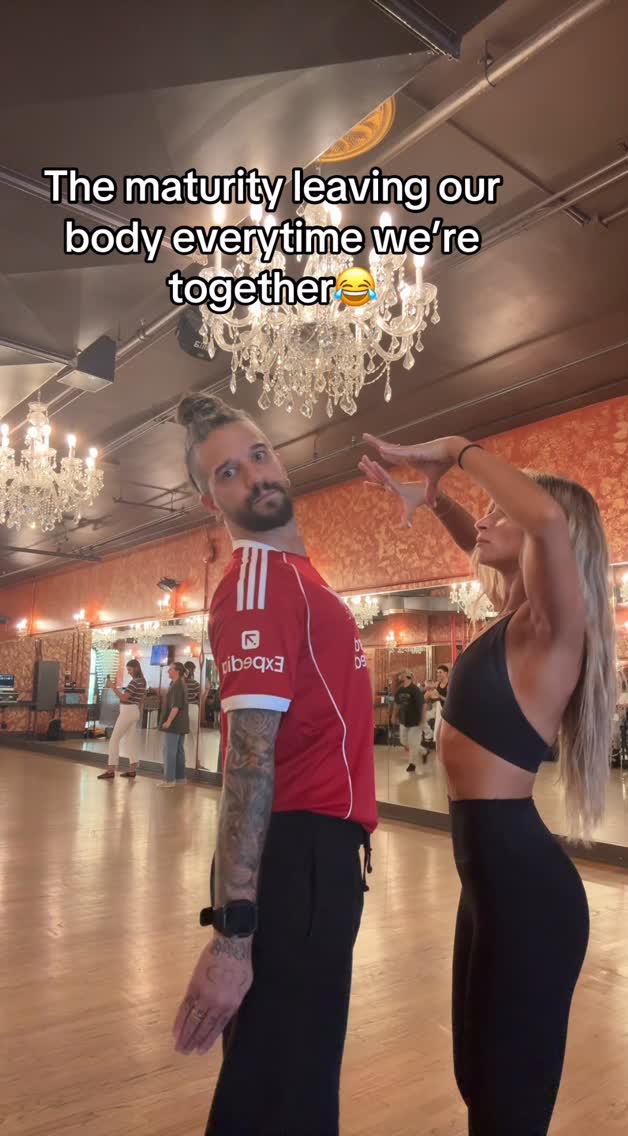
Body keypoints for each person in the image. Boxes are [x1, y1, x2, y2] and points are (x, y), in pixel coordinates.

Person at [360, 432, 616, 1135]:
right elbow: (489, 536)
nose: (487, 519)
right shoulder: (513, 619)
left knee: (509, 1099)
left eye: (504, 512)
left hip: (529, 894)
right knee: (476, 1074)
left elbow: (546, 518)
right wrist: (437, 502)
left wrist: (454, 450)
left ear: (546, 541)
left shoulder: (554, 630)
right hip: (489, 884)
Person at [172, 394, 377, 1136]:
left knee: (294, 1082)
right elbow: (249, 762)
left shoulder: (299, 577)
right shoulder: (257, 582)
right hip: (294, 860)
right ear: (210, 501)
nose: (253, 475)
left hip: (322, 860)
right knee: (279, 1091)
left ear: (279, 459)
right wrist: (234, 936)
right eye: (227, 472)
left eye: (257, 455)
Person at [97, 658, 146, 779]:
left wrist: (113, 687)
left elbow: (124, 698)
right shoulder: (142, 681)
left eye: (129, 669)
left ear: (136, 668)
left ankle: (111, 770)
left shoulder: (134, 682)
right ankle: (133, 769)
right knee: (130, 741)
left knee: (114, 739)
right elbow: (140, 699)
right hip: (134, 710)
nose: (128, 672)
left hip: (127, 711)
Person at [158, 661, 190, 788]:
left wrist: (168, 721)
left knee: (169, 751)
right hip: (181, 723)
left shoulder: (177, 685)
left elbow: (176, 706)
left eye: (170, 669)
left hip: (175, 723)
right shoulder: (179, 684)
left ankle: (169, 779)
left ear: (177, 671)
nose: (168, 671)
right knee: (179, 750)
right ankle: (180, 778)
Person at [393, 671, 425, 772]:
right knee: (403, 741)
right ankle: (424, 751)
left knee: (413, 743)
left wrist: (423, 720)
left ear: (407, 677)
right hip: (403, 720)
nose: (400, 676)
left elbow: (423, 705)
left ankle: (412, 764)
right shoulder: (400, 690)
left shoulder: (415, 690)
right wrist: (393, 715)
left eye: (402, 674)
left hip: (415, 721)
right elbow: (396, 703)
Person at [183, 660, 202, 769]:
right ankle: (196, 761)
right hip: (193, 709)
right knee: (196, 737)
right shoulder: (195, 684)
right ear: (193, 670)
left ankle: (185, 759)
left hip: (183, 710)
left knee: (185, 737)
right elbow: (200, 700)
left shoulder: (180, 683)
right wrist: (206, 690)